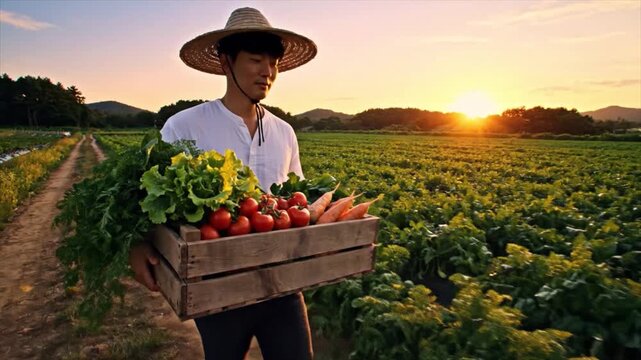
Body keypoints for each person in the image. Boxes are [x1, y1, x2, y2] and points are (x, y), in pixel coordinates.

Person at [129, 7, 317, 360]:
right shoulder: (184, 127)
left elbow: (298, 199)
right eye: (256, 60)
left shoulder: (284, 132)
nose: (268, 72)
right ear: (225, 62)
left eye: (274, 63)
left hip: (283, 283)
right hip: (217, 285)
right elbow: (148, 198)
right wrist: (138, 243)